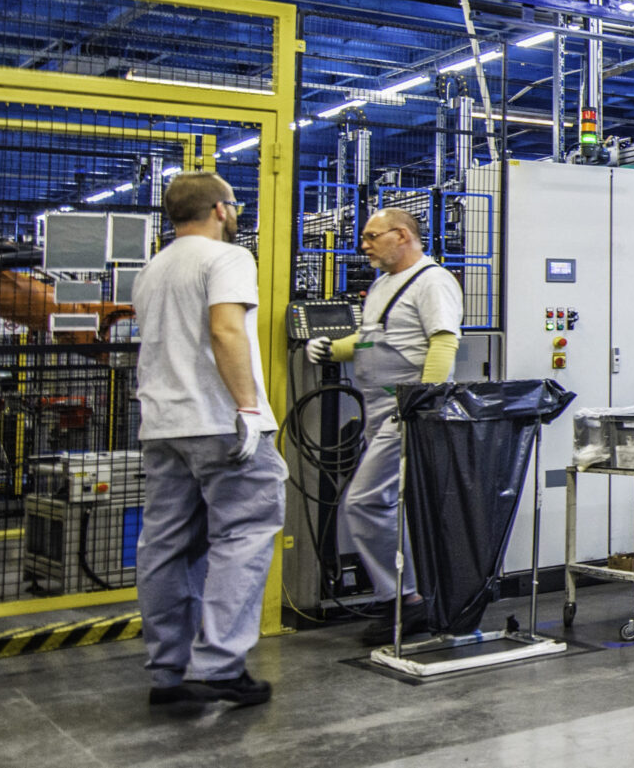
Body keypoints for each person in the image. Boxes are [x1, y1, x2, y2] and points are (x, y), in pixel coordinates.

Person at [133, 171, 283, 708]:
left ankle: (169, 672)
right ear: (221, 210)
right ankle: (220, 663)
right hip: (220, 422)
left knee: (165, 546)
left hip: (163, 427)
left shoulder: (153, 268)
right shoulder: (228, 258)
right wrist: (247, 407)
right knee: (244, 532)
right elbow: (225, 330)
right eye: (235, 205)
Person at [306, 207, 464, 645]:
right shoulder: (382, 285)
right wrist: (332, 350)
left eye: (372, 235)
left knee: (363, 502)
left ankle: (406, 599)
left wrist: (423, 403)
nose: (364, 244)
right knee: (386, 505)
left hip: (407, 410)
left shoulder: (432, 282)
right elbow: (373, 338)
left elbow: (444, 341)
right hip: (379, 409)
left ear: (401, 235)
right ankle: (407, 595)